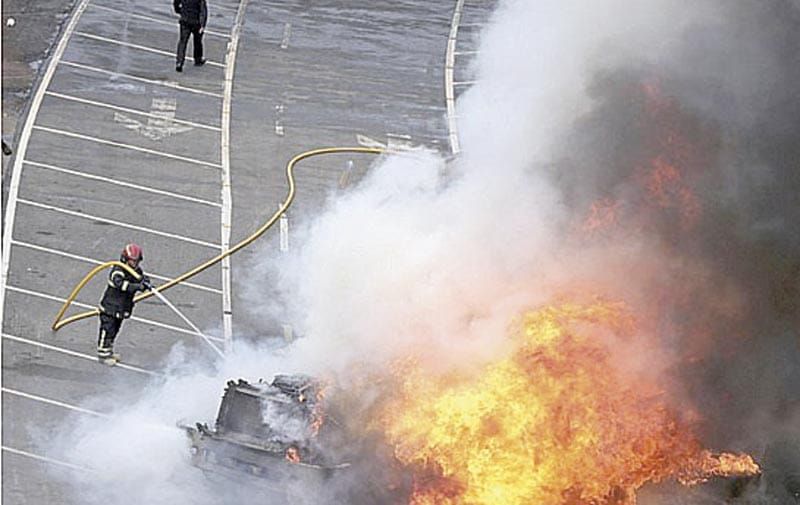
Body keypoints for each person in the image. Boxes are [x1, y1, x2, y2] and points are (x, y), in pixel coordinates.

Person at [97, 243, 152, 366]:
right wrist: (137, 287)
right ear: (125, 259)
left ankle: (109, 352)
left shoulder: (135, 270)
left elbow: (140, 277)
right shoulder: (118, 270)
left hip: (121, 308)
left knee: (115, 330)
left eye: (137, 261)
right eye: (133, 261)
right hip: (110, 308)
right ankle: (102, 354)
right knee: (107, 330)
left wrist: (145, 282)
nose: (135, 263)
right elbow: (120, 284)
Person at [173, 0, 207, 72]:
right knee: (197, 41)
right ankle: (198, 59)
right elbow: (203, 10)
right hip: (196, 21)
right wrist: (203, 25)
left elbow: (176, 3)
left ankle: (179, 62)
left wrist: (179, 11)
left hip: (185, 20)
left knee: (183, 42)